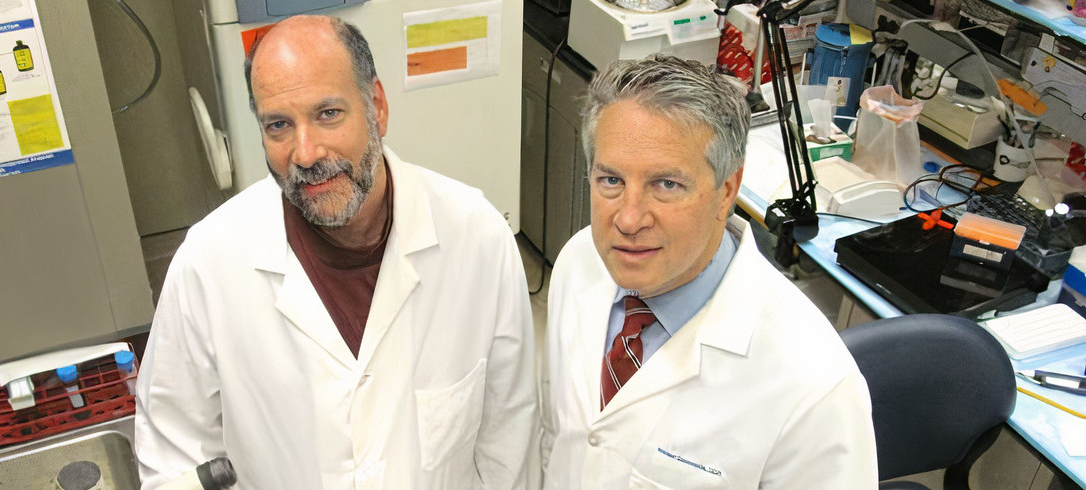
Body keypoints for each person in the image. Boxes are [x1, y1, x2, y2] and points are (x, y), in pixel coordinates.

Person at [133, 15, 538, 490]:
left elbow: (510, 441)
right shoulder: (208, 264)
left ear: (377, 108)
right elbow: (173, 461)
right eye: (279, 125)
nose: (305, 152)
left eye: (328, 113)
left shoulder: (477, 238)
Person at [539, 54, 877, 489]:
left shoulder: (815, 387)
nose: (628, 219)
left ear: (726, 192)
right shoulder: (579, 260)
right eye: (611, 180)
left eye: (666, 184)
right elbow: (560, 436)